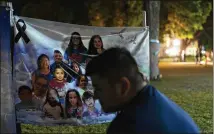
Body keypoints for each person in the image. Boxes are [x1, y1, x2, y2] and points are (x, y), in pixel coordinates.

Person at [85, 47, 200, 134]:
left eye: (98, 88)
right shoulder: (158, 101)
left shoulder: (128, 126)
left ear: (124, 86)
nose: (95, 96)